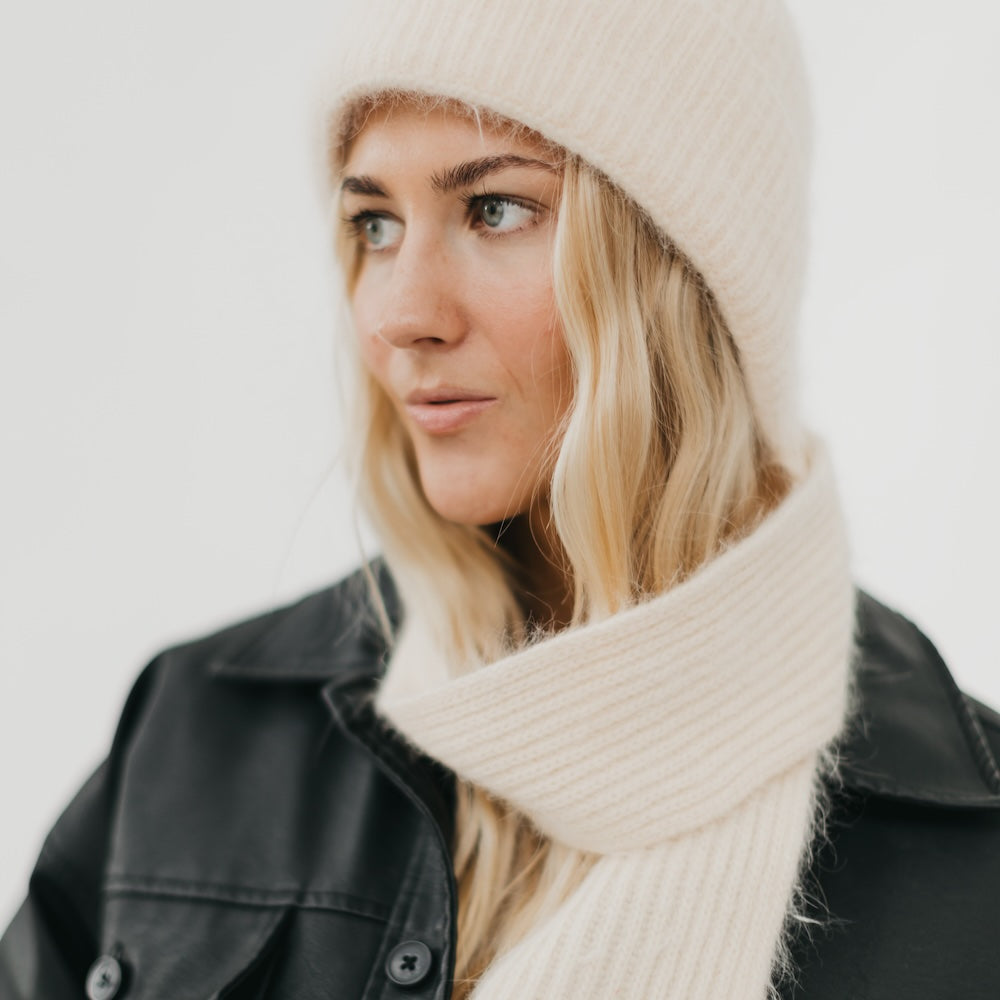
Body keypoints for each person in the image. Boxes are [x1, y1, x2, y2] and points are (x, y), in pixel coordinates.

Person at [2, 1, 999, 998]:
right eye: (374, 224)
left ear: (683, 269)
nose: (401, 313)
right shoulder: (201, 729)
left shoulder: (968, 847)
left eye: (495, 209)